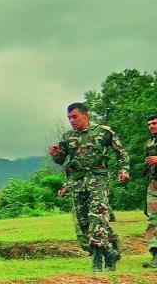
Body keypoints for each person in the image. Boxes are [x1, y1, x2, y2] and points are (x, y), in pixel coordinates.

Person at [49, 102, 129, 272]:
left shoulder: (103, 131)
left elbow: (121, 152)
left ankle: (97, 260)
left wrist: (123, 170)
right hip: (77, 183)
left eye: (75, 117)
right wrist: (55, 155)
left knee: (97, 217)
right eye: (69, 118)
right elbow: (64, 162)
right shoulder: (67, 137)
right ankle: (110, 252)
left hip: (98, 180)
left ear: (85, 115)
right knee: (83, 224)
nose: (72, 121)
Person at [142, 114, 157, 268]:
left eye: (154, 123)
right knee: (153, 219)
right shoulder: (149, 142)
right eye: (149, 124)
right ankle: (155, 255)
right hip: (153, 184)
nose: (151, 126)